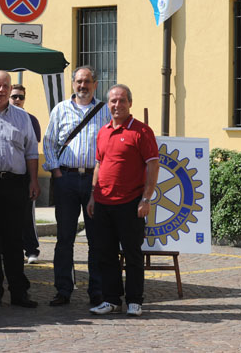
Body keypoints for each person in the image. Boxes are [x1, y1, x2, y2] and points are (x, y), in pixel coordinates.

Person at [87, 84, 159, 317]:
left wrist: (146, 198)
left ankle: (135, 301)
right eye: (113, 101)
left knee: (132, 254)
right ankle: (111, 300)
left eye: (121, 101)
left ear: (130, 103)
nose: (117, 105)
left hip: (130, 203)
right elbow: (99, 165)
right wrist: (92, 196)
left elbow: (152, 165)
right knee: (105, 254)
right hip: (103, 202)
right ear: (108, 104)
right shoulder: (103, 131)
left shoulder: (141, 131)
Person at [42, 65, 111, 307]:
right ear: (73, 84)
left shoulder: (105, 111)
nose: (83, 86)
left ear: (95, 84)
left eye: (87, 82)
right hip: (67, 180)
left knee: (97, 239)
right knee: (64, 238)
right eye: (79, 81)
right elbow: (49, 143)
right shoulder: (60, 109)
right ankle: (63, 289)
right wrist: (57, 173)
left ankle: (97, 291)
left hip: (96, 182)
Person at [0, 71, 41, 308]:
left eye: (5, 86)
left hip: (16, 183)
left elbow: (31, 153)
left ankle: (18, 292)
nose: (1, 90)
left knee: (15, 239)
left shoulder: (23, 117)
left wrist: (34, 181)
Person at [9, 83, 41, 264]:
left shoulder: (30, 120)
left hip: (25, 173)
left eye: (21, 97)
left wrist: (34, 179)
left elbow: (32, 148)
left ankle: (31, 250)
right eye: (14, 96)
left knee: (26, 215)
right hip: (6, 173)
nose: (18, 100)